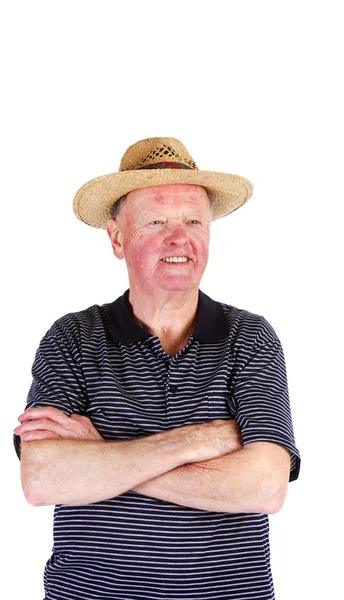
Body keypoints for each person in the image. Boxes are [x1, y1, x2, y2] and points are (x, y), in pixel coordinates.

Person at [14, 137, 301, 600]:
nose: (179, 239)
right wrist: (198, 441)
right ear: (117, 237)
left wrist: (103, 457)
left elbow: (265, 487)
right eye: (156, 222)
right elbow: (43, 477)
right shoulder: (71, 338)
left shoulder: (250, 338)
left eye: (193, 221)